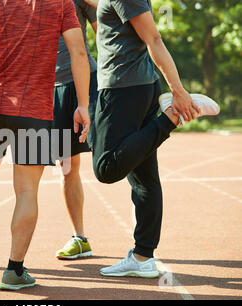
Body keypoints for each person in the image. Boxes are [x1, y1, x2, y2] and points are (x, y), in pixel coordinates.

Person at [0, 0, 91, 290]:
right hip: (35, 113)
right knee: (26, 190)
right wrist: (84, 104)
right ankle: (14, 270)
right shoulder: (61, 2)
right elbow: (78, 50)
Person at [92, 0, 219, 277]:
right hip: (136, 86)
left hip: (123, 88)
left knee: (106, 168)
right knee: (144, 179)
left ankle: (171, 117)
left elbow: (153, 38)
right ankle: (143, 257)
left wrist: (179, 91)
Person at [54, 0, 98, 260]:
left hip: (88, 82)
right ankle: (80, 238)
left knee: (115, 153)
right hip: (53, 89)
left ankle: (142, 245)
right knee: (67, 166)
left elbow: (106, 33)